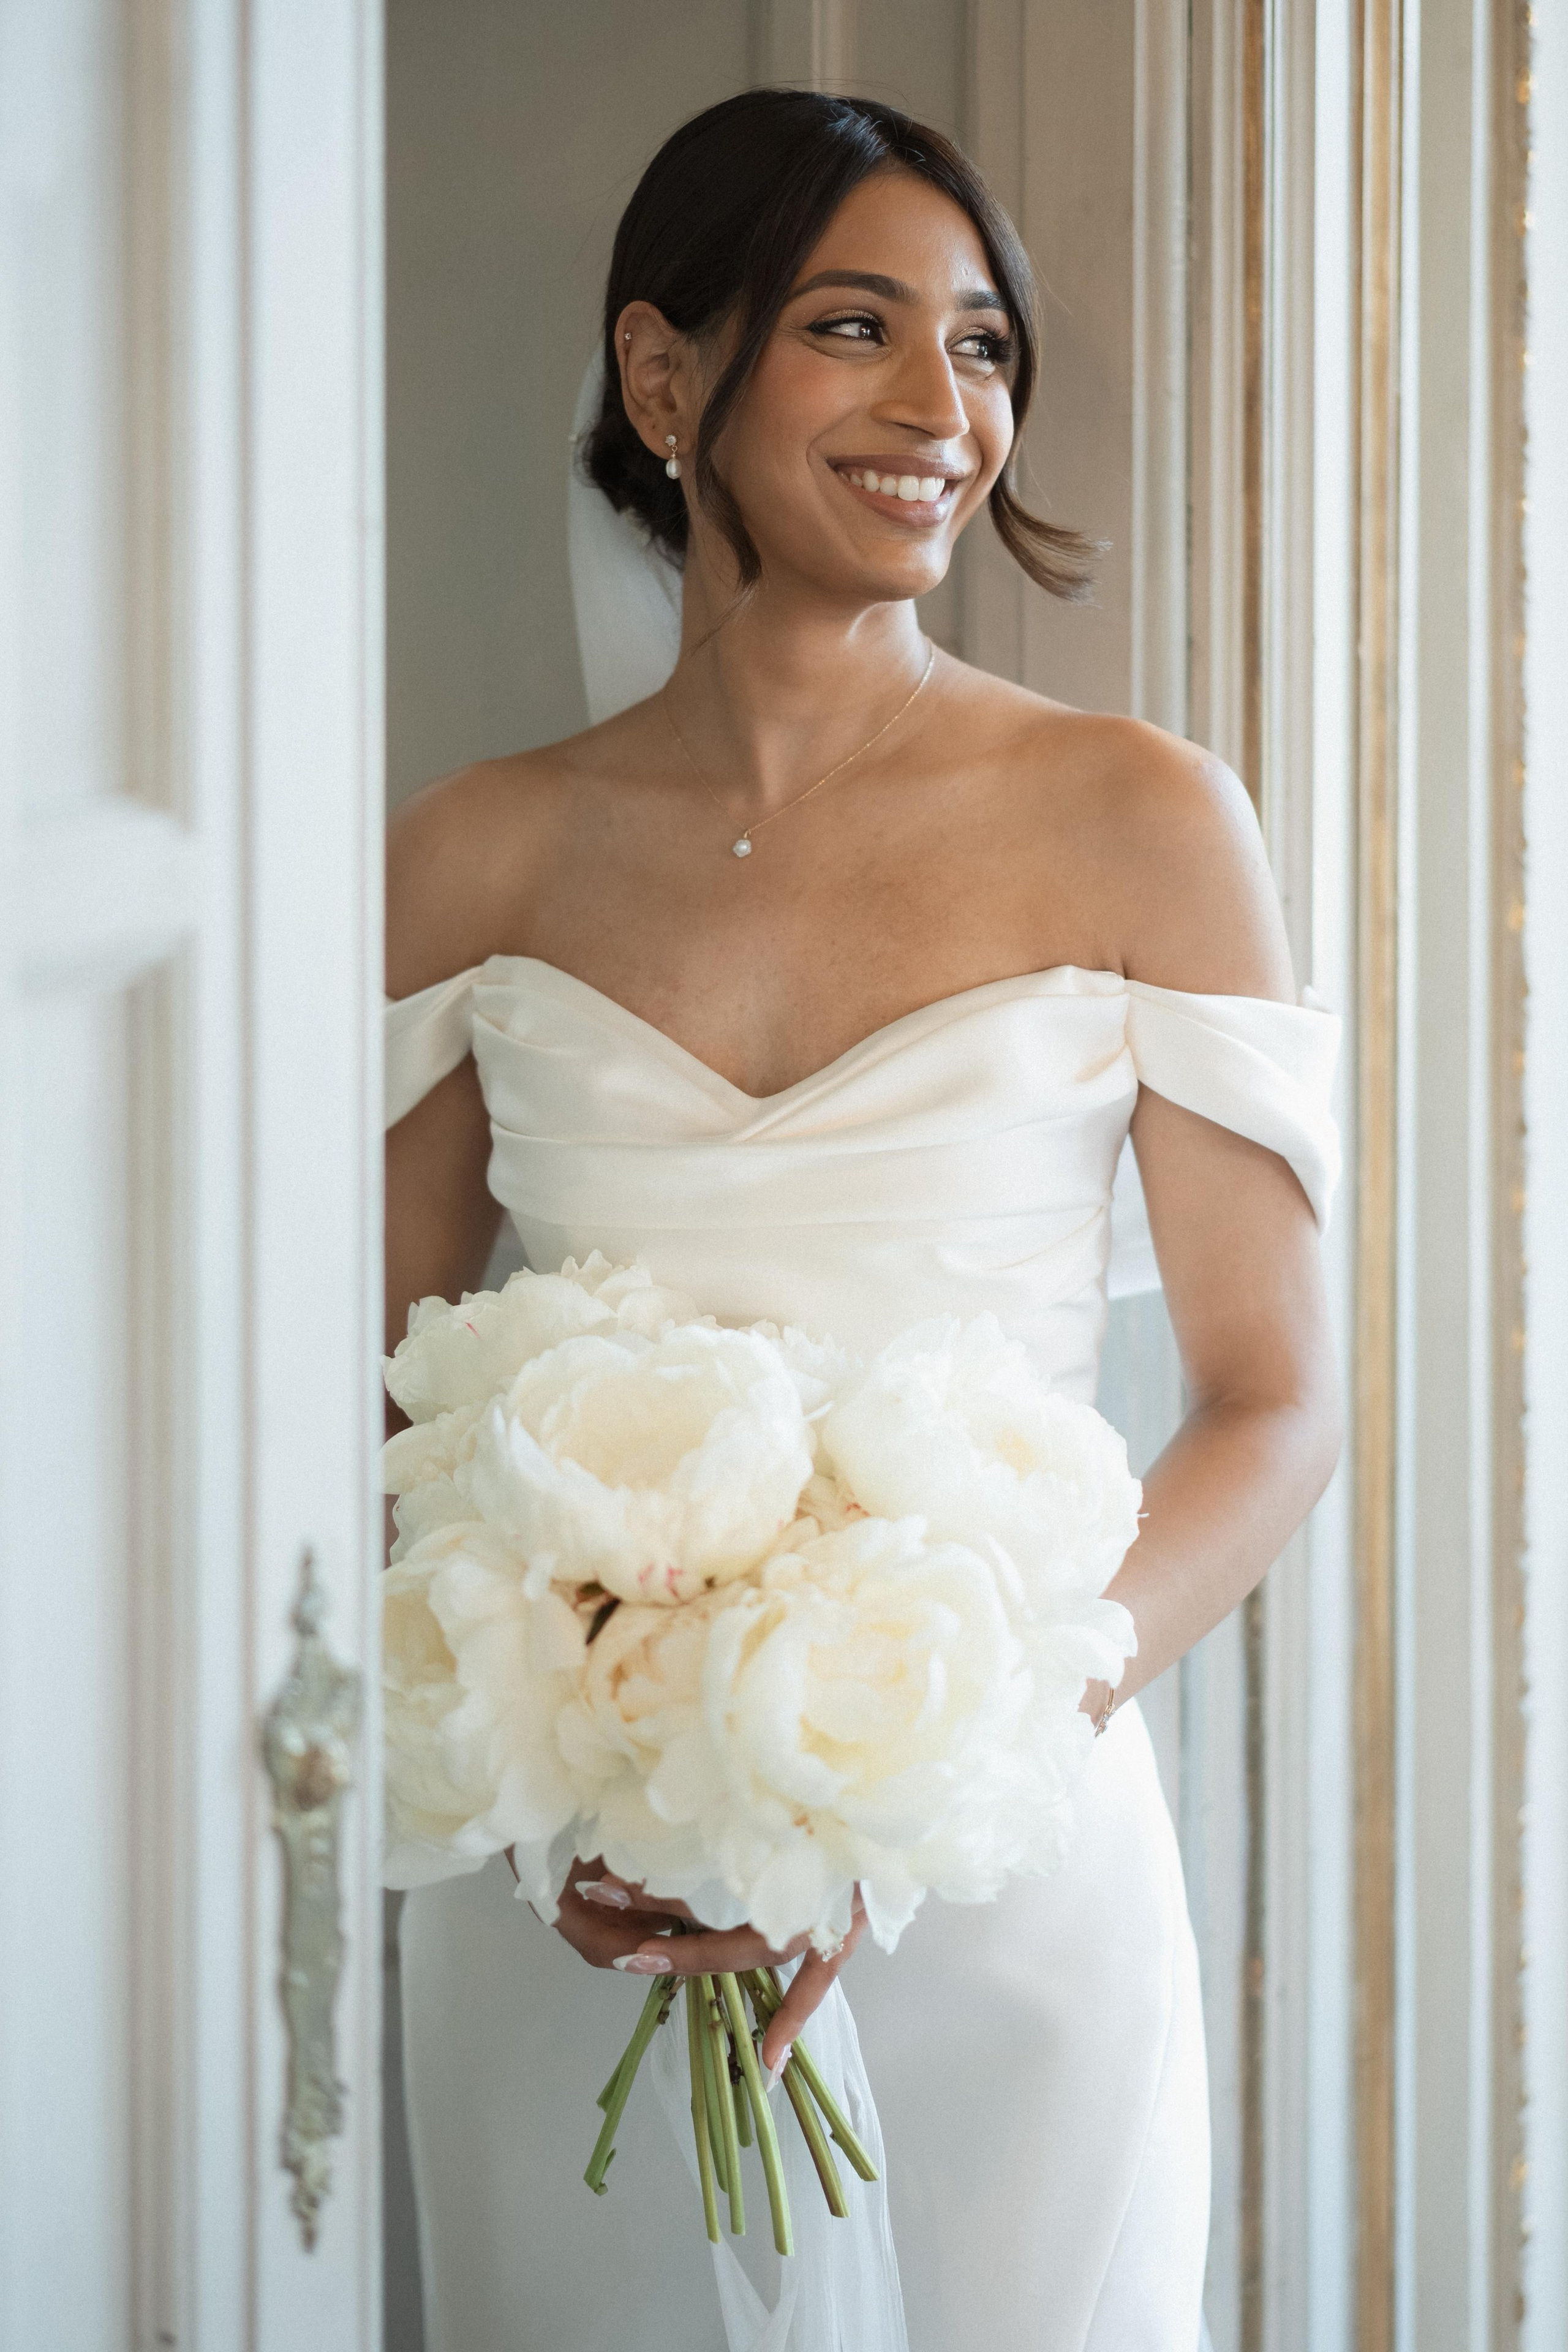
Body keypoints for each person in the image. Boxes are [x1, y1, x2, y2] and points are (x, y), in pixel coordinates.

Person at [383, 87, 1341, 2352]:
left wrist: (964, 1748)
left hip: (1000, 1860)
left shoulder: (1143, 821)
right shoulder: (472, 859)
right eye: (858, 328)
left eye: (987, 347)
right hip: (574, 1886)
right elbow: (348, 1402)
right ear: (665, 381)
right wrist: (566, 1734)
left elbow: (1273, 1395)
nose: (947, 411)